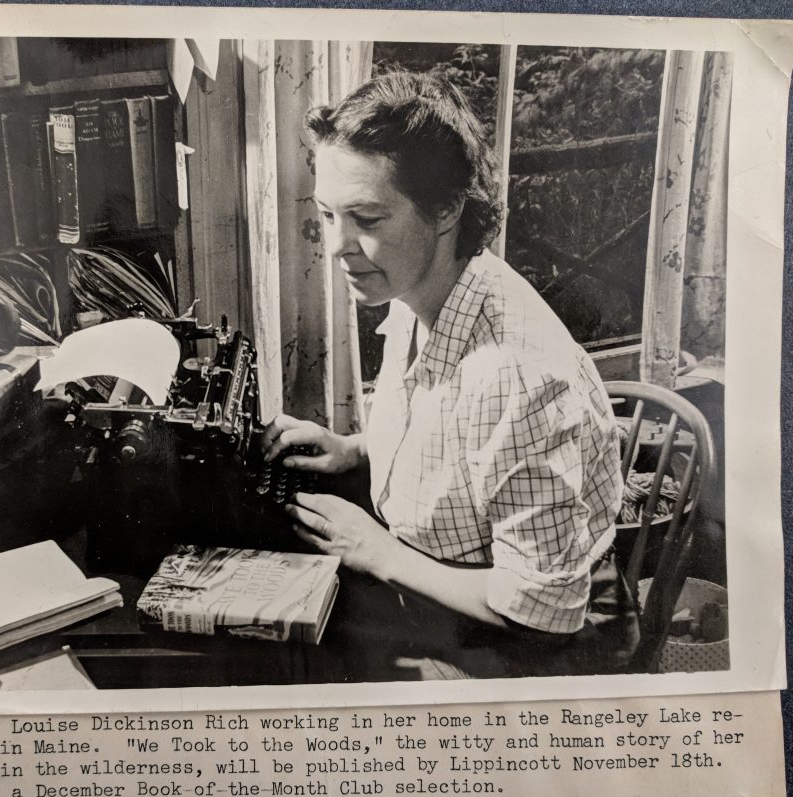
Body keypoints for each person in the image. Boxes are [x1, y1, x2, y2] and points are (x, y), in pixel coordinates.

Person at [262, 70, 629, 675]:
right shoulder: (425, 290)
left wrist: (376, 552)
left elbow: (544, 607)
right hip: (443, 591)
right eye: (329, 215)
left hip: (531, 649)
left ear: (447, 208)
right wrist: (355, 450)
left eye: (368, 220)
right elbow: (455, 441)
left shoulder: (519, 376)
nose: (337, 245)